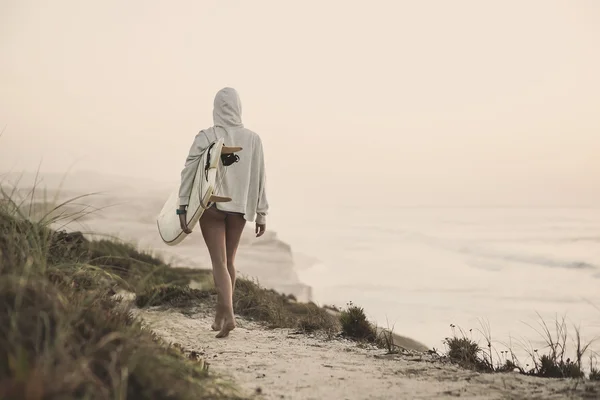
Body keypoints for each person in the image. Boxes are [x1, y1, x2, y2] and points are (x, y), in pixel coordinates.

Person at [177, 87, 268, 338]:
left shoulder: (206, 136)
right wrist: (261, 212)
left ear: (216, 108)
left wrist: (182, 205)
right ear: (239, 108)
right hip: (239, 209)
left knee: (218, 263)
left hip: (212, 207)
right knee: (229, 262)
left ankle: (228, 315)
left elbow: (188, 172)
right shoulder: (253, 139)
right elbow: (260, 176)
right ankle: (219, 316)